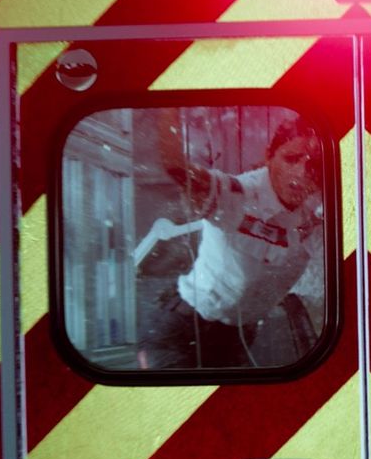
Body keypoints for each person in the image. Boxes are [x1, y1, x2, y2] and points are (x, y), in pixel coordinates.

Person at [138, 110, 325, 369]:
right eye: (291, 158)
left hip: (237, 336)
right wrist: (167, 107)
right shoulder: (237, 195)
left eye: (313, 164)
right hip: (184, 330)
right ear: (270, 156)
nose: (302, 172)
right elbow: (177, 169)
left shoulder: (317, 210)